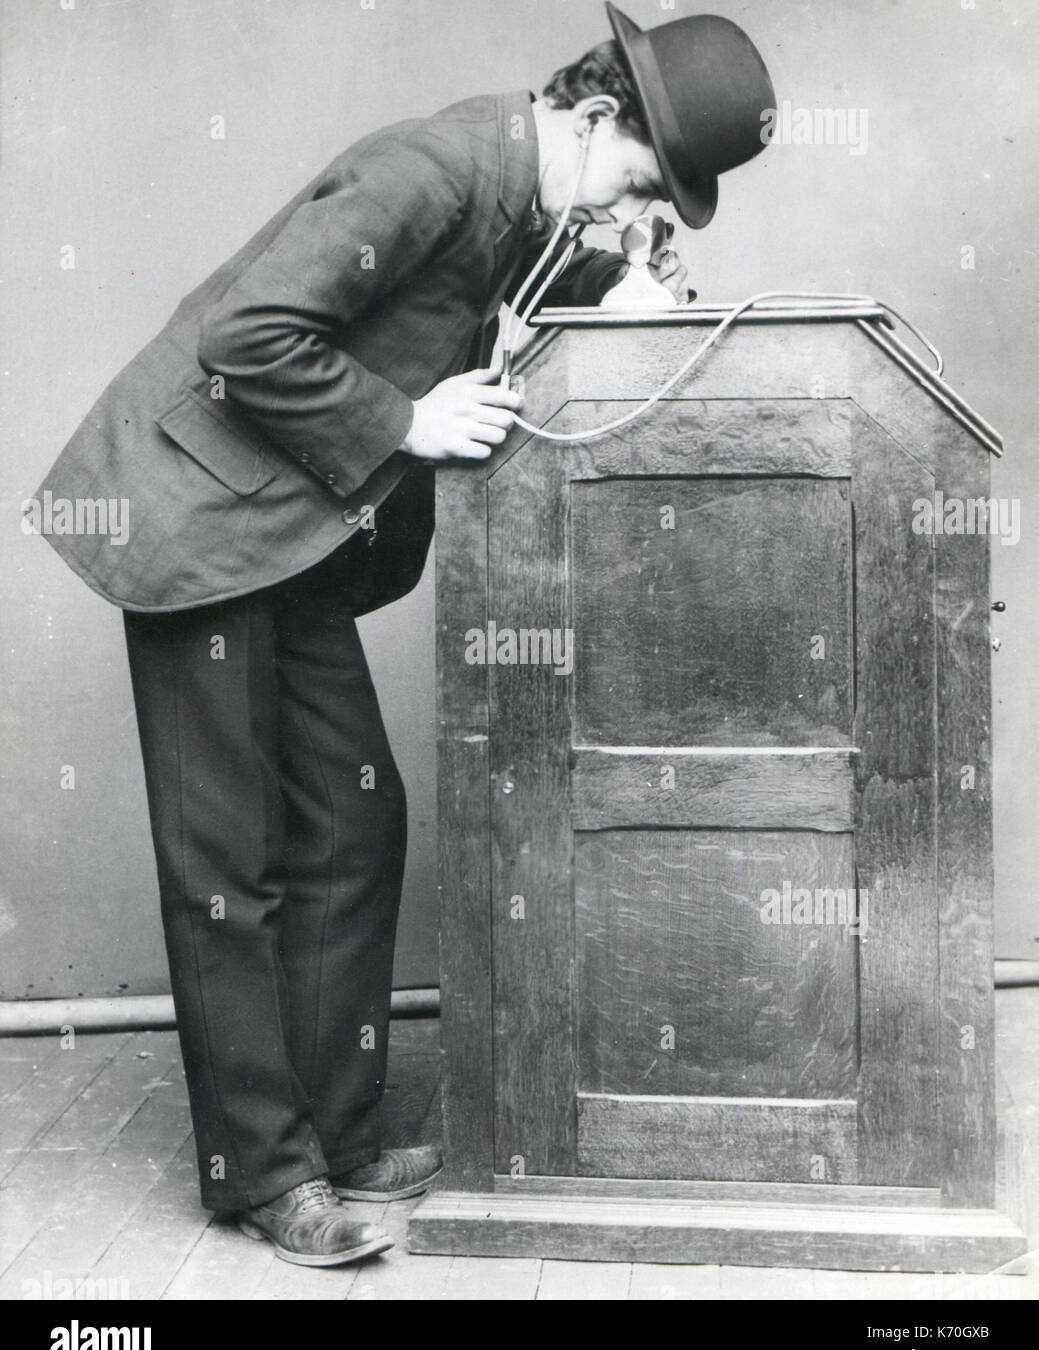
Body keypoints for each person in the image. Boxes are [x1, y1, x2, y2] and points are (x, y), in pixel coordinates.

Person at [31, 5, 775, 1266]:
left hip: (291, 536)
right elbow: (244, 339)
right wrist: (406, 421)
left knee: (353, 822)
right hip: (199, 529)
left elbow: (497, 282)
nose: (618, 208)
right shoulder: (431, 168)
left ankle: (331, 1125)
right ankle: (263, 1175)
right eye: (638, 183)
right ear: (595, 119)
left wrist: (620, 282)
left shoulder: (523, 190)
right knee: (229, 865)